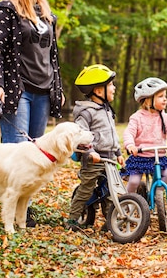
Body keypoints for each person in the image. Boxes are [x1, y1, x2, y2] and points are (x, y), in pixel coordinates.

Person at [0, 0, 65, 227]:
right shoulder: (7, 9)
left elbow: (52, 56)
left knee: (35, 154)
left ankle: (24, 207)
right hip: (16, 91)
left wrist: (58, 87)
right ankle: (13, 208)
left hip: (43, 92)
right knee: (16, 152)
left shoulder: (46, 14)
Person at [67, 64, 123, 231]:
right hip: (94, 159)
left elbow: (112, 134)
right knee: (86, 189)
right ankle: (73, 219)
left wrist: (118, 152)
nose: (114, 88)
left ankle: (110, 222)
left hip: (110, 158)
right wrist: (90, 152)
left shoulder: (106, 110)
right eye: (111, 85)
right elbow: (81, 134)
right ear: (99, 91)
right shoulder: (86, 111)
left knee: (110, 192)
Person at [122, 77, 167, 194]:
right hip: (140, 156)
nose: (165, 99)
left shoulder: (164, 117)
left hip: (158, 157)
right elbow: (129, 132)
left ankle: (156, 193)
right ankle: (127, 200)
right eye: (160, 96)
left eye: (165, 96)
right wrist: (130, 145)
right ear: (148, 100)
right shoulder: (137, 117)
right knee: (134, 181)